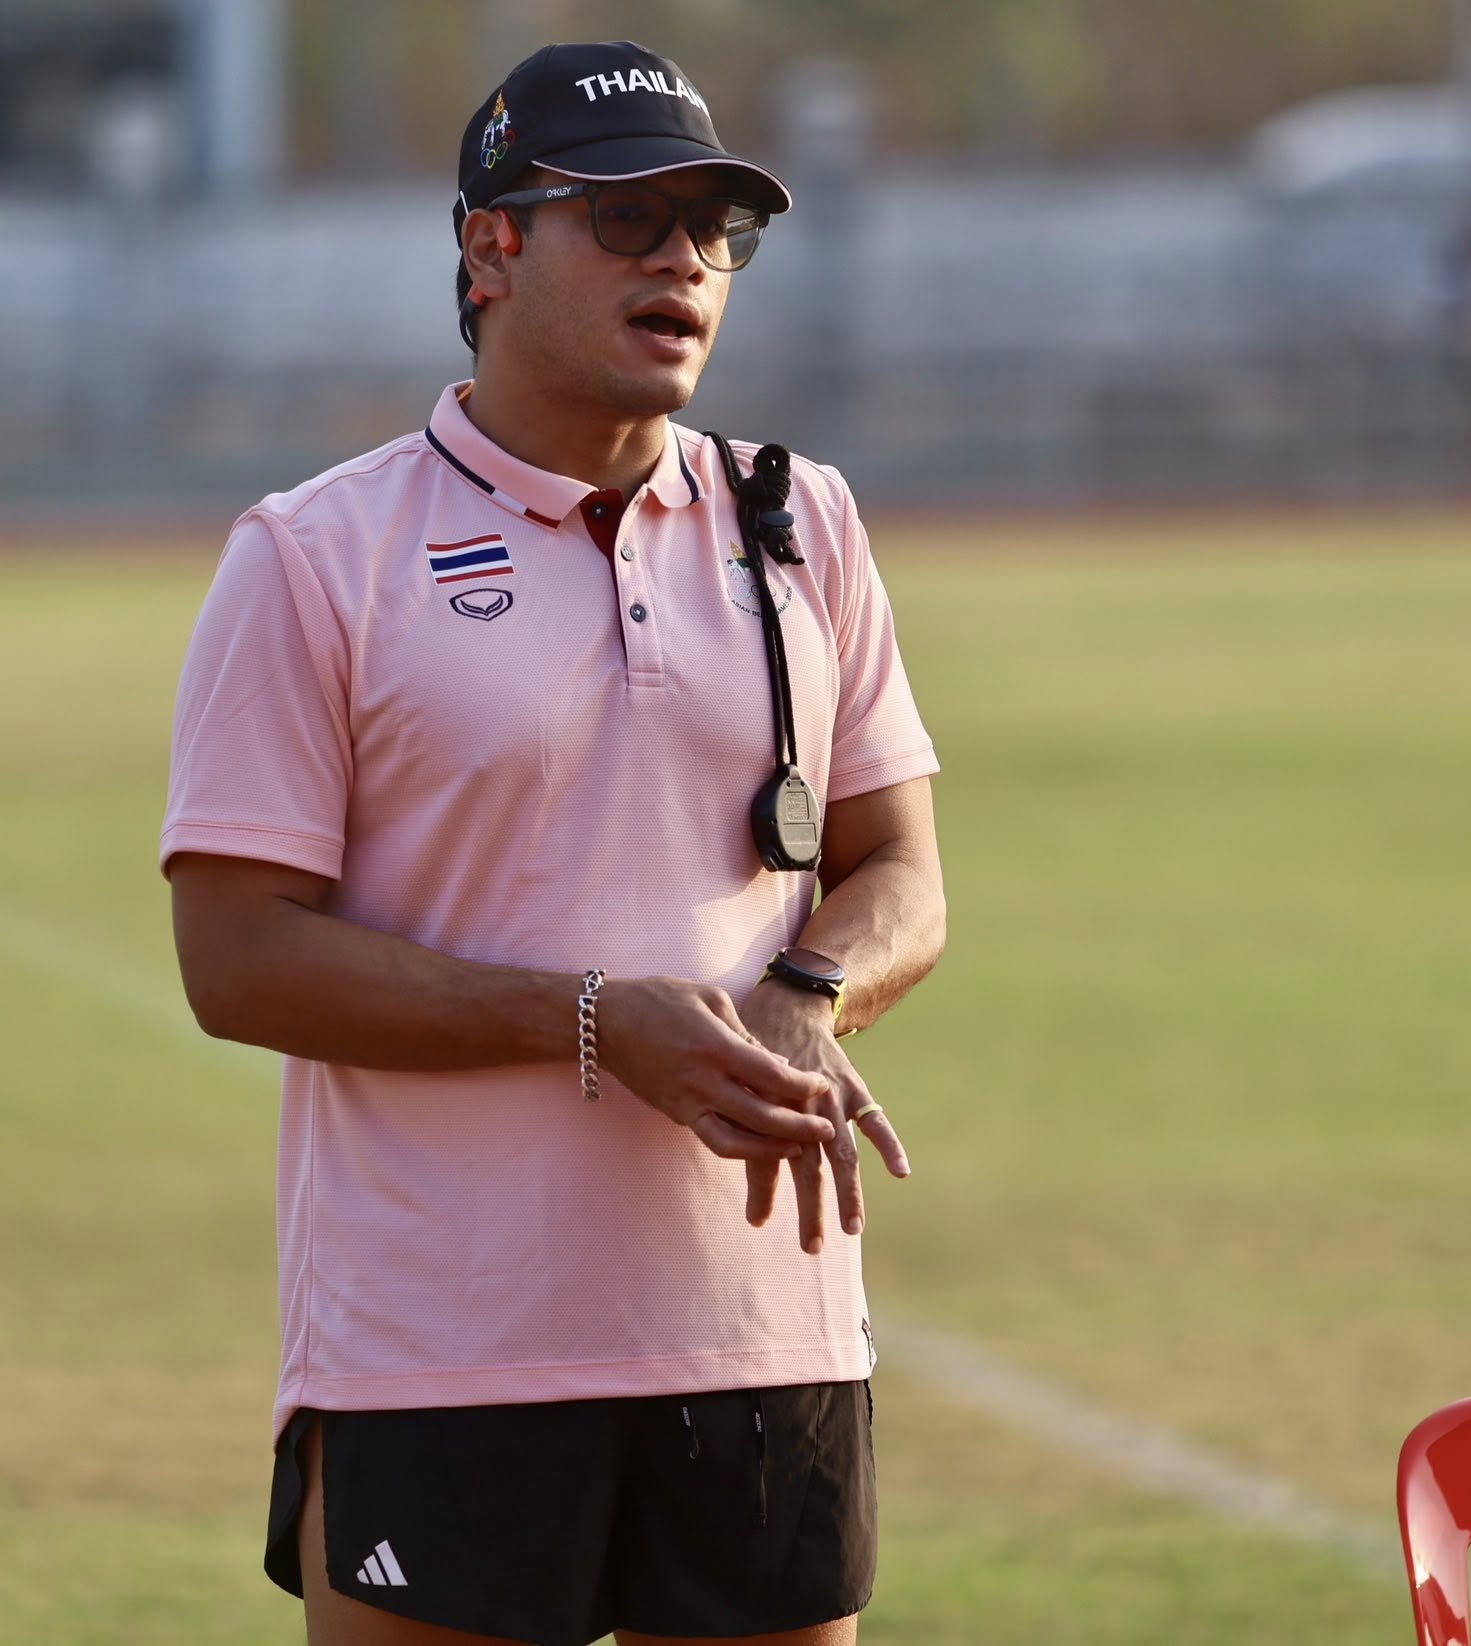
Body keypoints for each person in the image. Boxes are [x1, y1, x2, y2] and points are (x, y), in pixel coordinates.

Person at [161, 40, 945, 1646]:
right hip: (442, 1352)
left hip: (765, 1341)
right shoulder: (315, 555)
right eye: (631, 216)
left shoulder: (805, 521)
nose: (685, 260)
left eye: (716, 226)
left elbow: (902, 874)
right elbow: (234, 961)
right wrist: (593, 1021)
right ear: (491, 246)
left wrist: (811, 991)